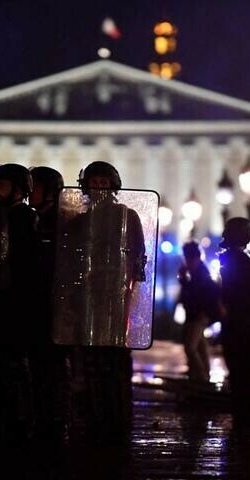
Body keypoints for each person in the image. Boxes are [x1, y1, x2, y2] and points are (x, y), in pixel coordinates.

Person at [54, 161, 147, 444]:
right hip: (86, 301)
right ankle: (95, 418)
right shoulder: (79, 221)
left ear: (113, 185)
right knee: (90, 365)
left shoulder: (127, 216)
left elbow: (139, 259)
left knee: (115, 363)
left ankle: (117, 418)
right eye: (94, 183)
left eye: (103, 183)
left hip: (114, 301)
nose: (99, 188)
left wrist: (128, 288)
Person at [0, 163, 38, 444]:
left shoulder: (24, 218)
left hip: (14, 303)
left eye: (2, 185)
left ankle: (19, 421)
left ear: (19, 189)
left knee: (14, 365)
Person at [27, 166, 72, 445]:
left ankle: (54, 421)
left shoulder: (57, 222)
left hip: (52, 306)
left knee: (51, 368)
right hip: (39, 305)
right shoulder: (37, 219)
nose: (29, 192)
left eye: (34, 187)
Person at [218, 217, 250, 431]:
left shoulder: (233, 258)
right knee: (246, 369)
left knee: (242, 370)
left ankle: (245, 412)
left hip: (239, 322)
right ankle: (246, 414)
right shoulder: (240, 260)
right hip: (245, 322)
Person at [177, 241, 219, 384]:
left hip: (198, 315)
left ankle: (201, 376)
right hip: (195, 314)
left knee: (190, 346)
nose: (186, 261)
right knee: (200, 346)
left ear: (194, 257)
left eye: (187, 258)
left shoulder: (201, 274)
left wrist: (183, 278)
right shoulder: (197, 272)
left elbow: (197, 294)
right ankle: (204, 374)